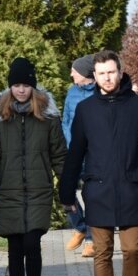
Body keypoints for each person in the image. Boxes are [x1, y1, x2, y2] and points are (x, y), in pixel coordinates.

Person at [60, 50, 138, 276]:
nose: (107, 78)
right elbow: (75, 152)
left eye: (111, 72)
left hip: (132, 188)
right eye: (101, 74)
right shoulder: (87, 110)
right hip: (98, 188)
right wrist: (66, 192)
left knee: (132, 249)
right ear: (95, 77)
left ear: (120, 71)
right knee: (102, 253)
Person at [0, 57, 67, 276]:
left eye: (25, 85)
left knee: (32, 244)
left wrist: (67, 187)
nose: (20, 90)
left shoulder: (47, 117)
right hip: (9, 193)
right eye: (16, 85)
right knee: (15, 250)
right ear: (10, 86)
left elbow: (59, 155)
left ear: (33, 86)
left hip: (39, 192)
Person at [61, 54, 96, 258]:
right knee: (66, 192)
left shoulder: (100, 92)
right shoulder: (71, 92)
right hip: (74, 151)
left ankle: (91, 240)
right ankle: (80, 226)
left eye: (75, 70)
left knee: (91, 195)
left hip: (93, 154)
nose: (71, 73)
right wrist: (70, 142)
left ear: (85, 73)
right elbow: (65, 120)